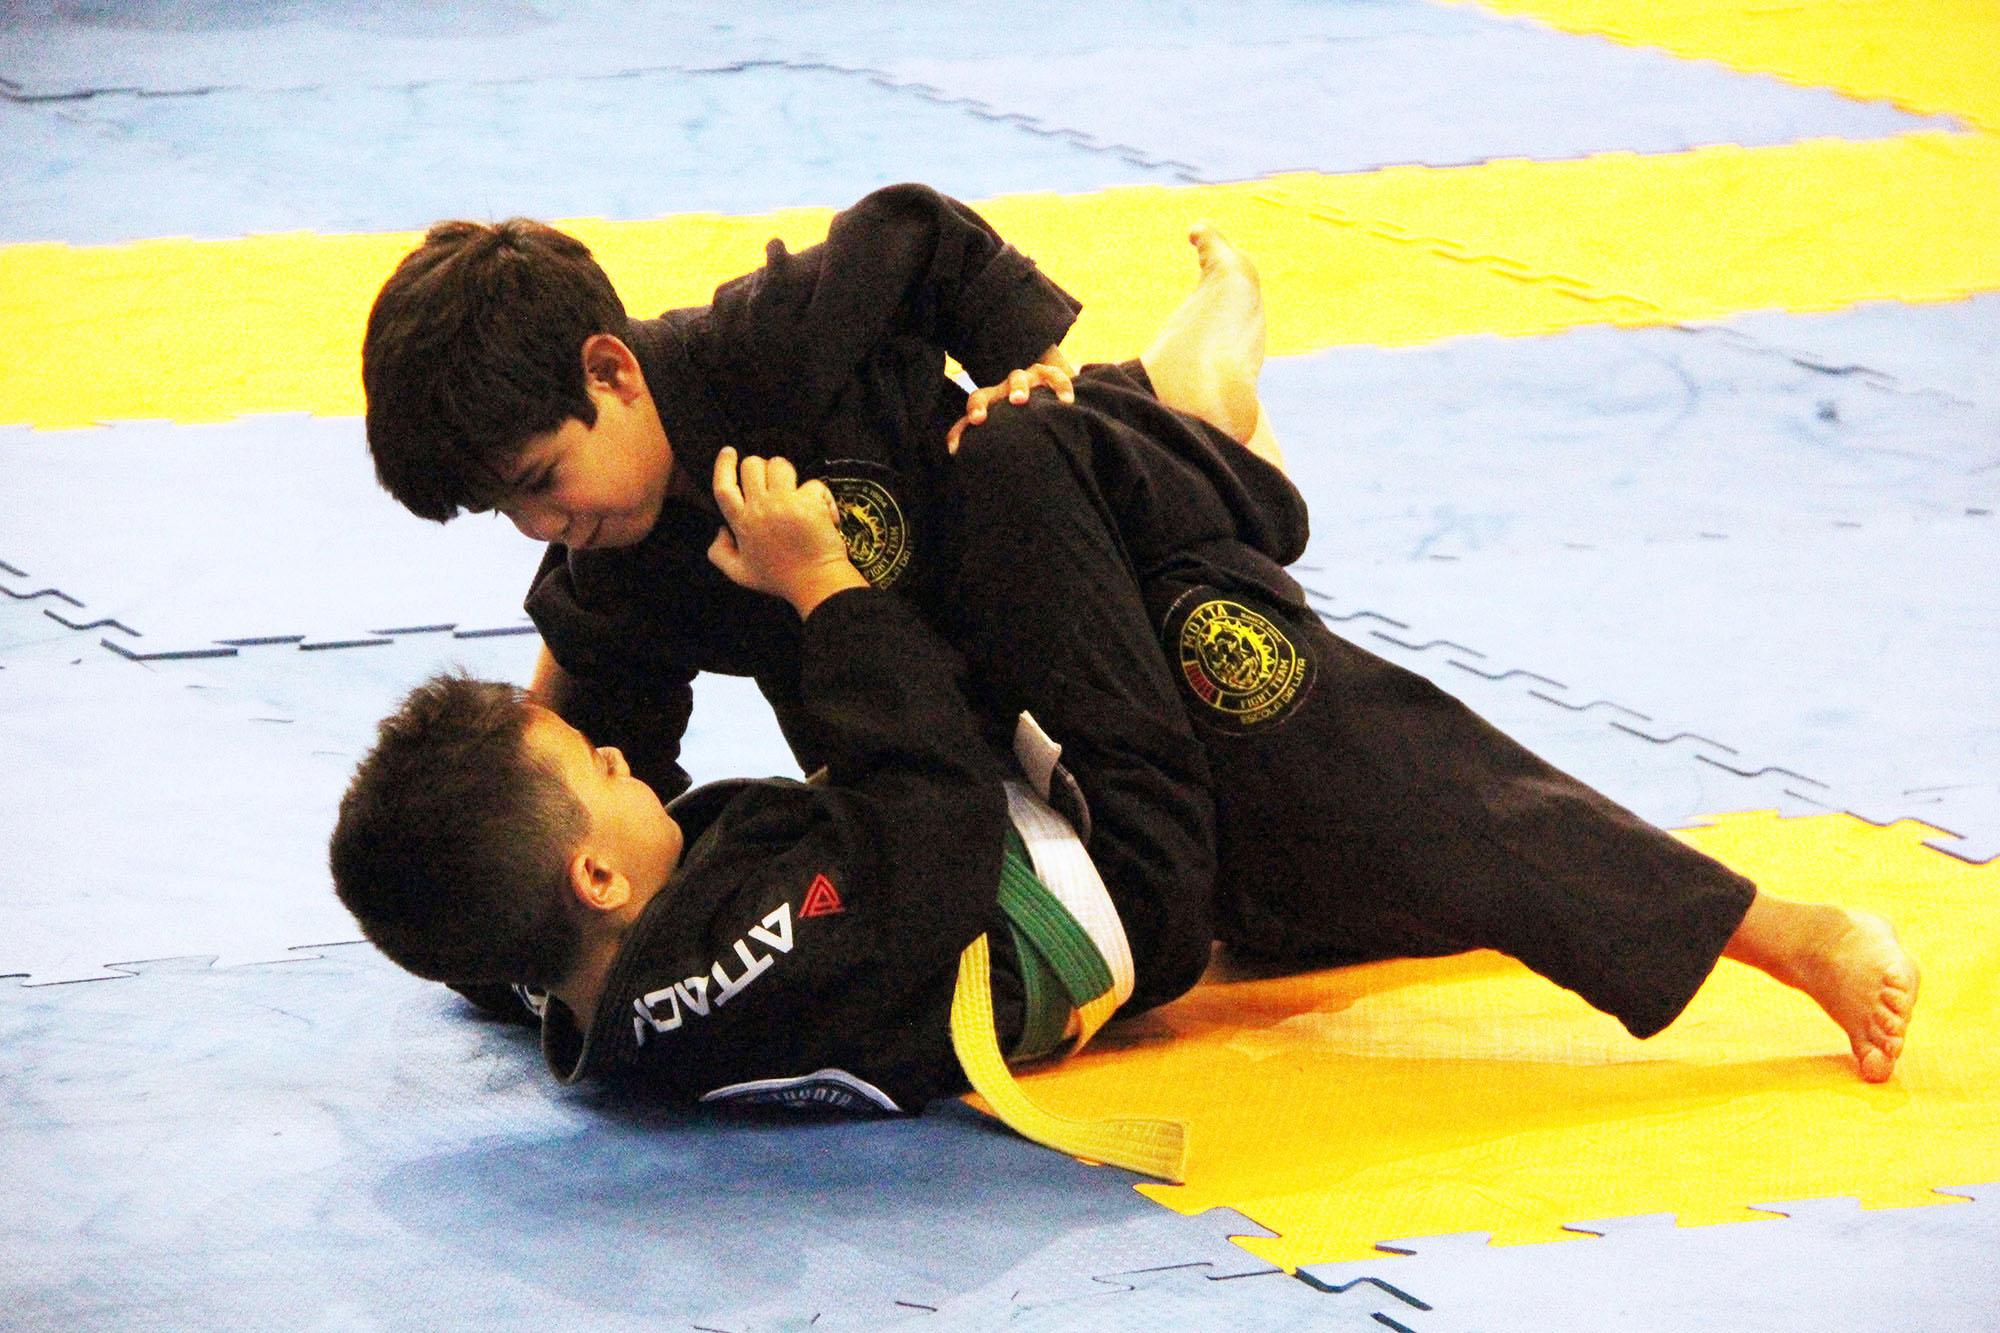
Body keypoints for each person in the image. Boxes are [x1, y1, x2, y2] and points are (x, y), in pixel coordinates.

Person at [357, 185, 1916, 1083]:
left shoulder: (763, 349)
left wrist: (1022, 357)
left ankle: (1767, 927)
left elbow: (913, 231)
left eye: (541, 482)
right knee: (1273, 869)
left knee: (1297, 709)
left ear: (615, 371)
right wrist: (477, 918)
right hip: (999, 759)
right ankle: (1192, 400)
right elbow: (562, 772)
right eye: (507, 512)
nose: (542, 526)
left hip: (1086, 563)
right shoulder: (618, 564)